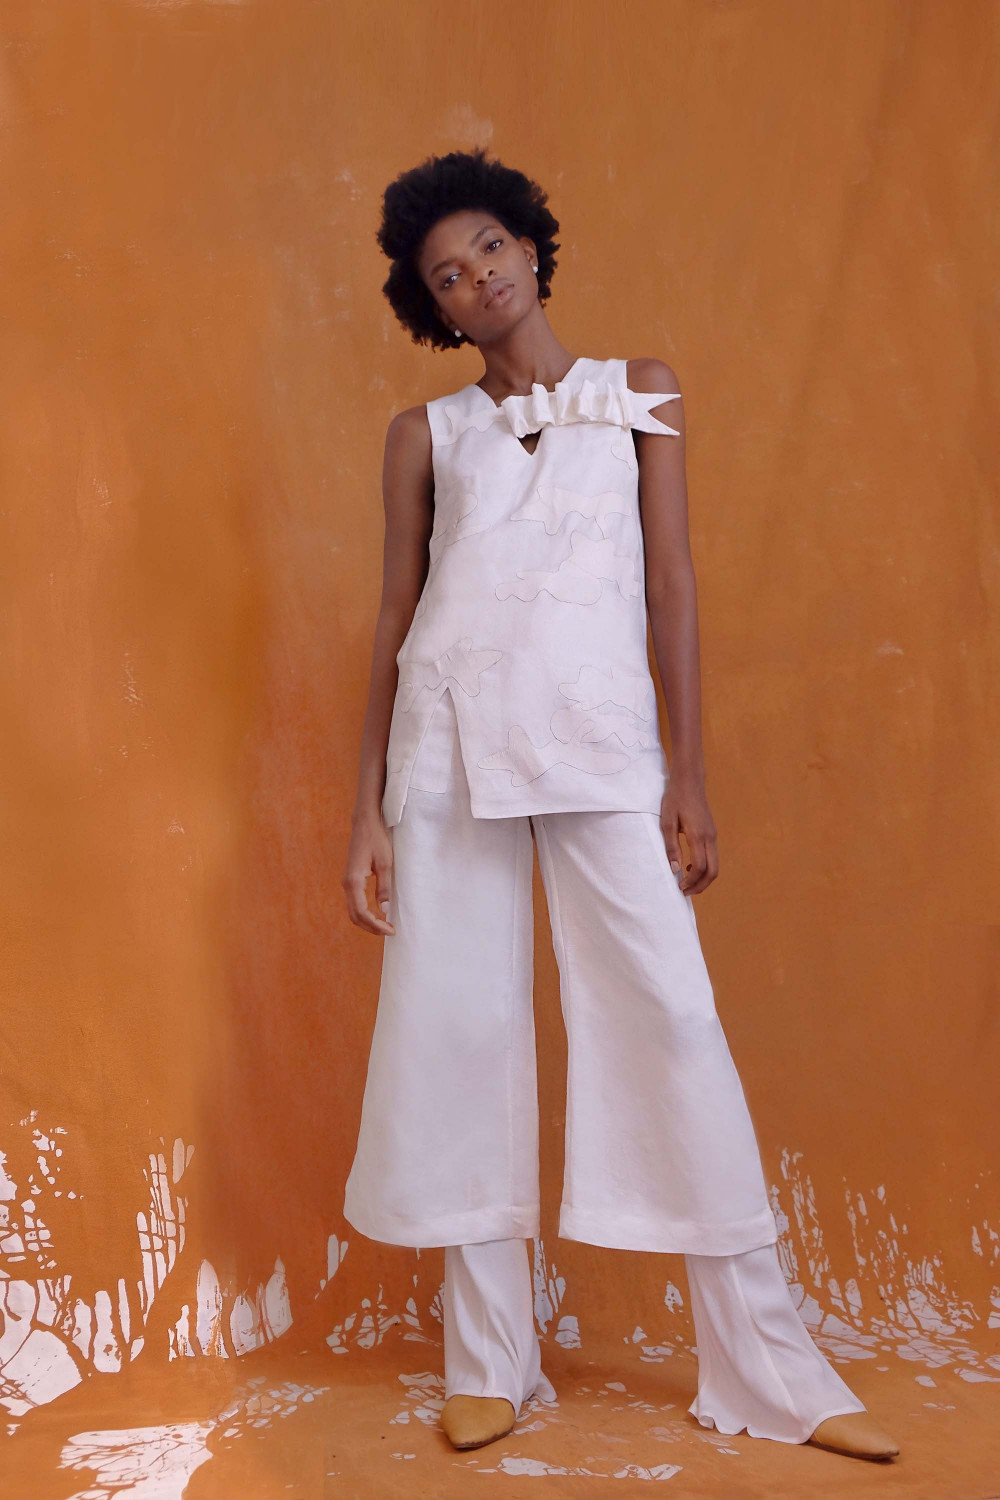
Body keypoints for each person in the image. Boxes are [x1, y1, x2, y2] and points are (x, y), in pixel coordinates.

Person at [341, 146, 899, 1463]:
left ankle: (771, 1369)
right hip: (449, 749)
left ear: (531, 246)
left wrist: (686, 775)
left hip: (601, 747)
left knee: (672, 1014)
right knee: (460, 1028)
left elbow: (674, 585)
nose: (477, 277)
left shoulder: (639, 391)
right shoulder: (426, 437)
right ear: (434, 308)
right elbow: (394, 617)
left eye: (488, 247)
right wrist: (364, 809)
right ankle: (489, 1362)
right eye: (446, 275)